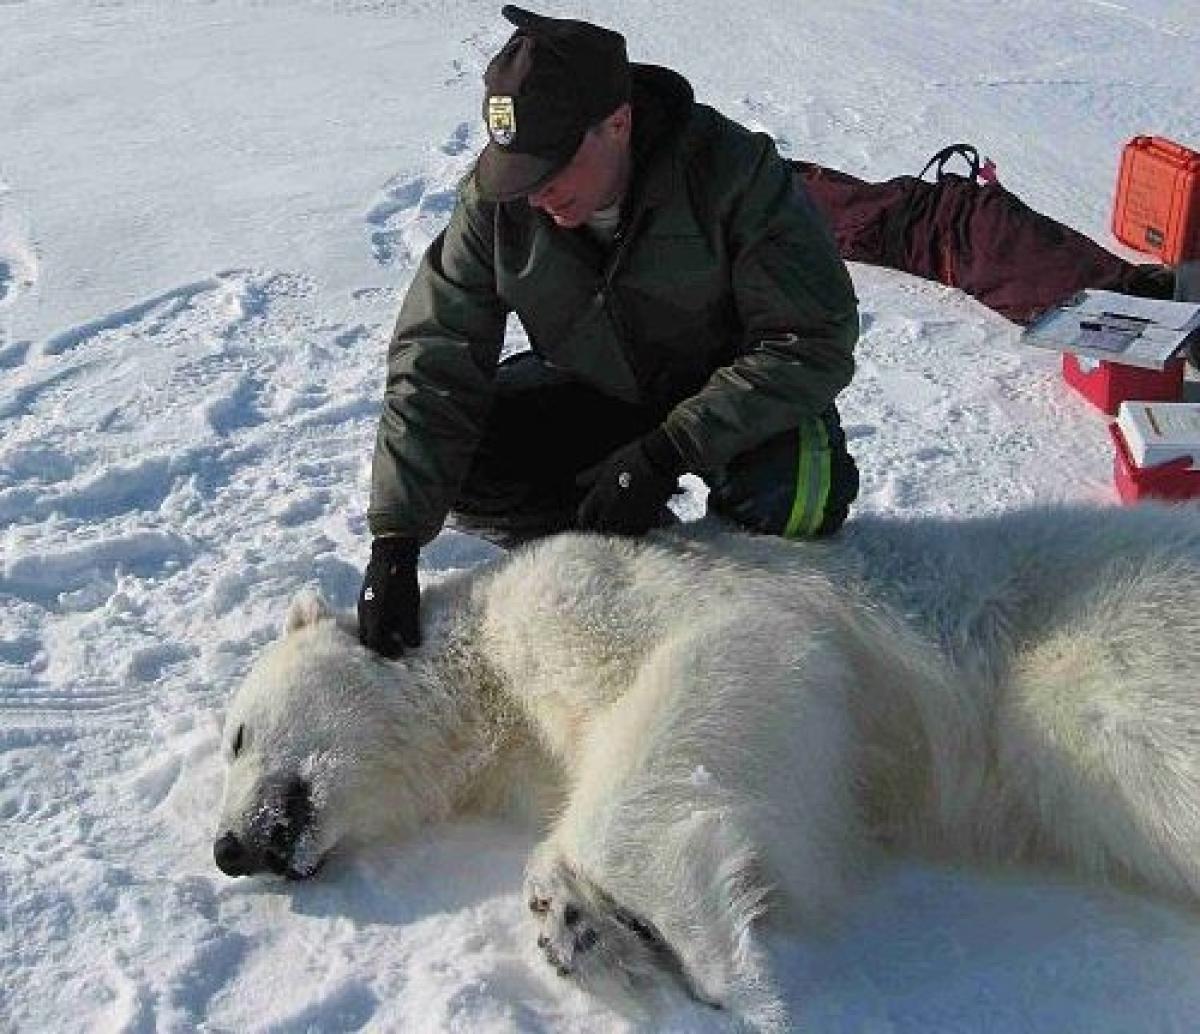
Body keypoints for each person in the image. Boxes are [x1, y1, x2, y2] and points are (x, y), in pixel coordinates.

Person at [357, 5, 862, 658]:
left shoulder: (735, 175)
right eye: (518, 174)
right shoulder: (498, 205)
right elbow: (436, 355)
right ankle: (622, 572)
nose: (533, 196)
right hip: (600, 385)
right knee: (473, 455)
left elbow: (811, 340)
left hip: (735, 399)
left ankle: (735, 636)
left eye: (550, 170)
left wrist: (667, 451)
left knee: (796, 504)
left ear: (616, 124)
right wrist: (394, 541)